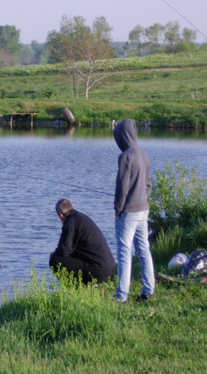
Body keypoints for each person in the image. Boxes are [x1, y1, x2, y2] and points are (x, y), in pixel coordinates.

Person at [113, 118, 155, 303]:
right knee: (144, 249)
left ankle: (122, 295)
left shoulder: (126, 156)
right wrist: (141, 198)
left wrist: (118, 208)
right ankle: (148, 290)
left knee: (124, 251)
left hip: (128, 212)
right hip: (143, 209)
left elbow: (121, 188)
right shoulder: (144, 154)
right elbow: (148, 185)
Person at [49, 199, 115, 285]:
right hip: (110, 269)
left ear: (61, 215)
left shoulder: (70, 223)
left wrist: (54, 254)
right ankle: (88, 286)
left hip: (98, 271)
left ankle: (75, 290)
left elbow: (64, 250)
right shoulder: (82, 218)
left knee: (55, 260)